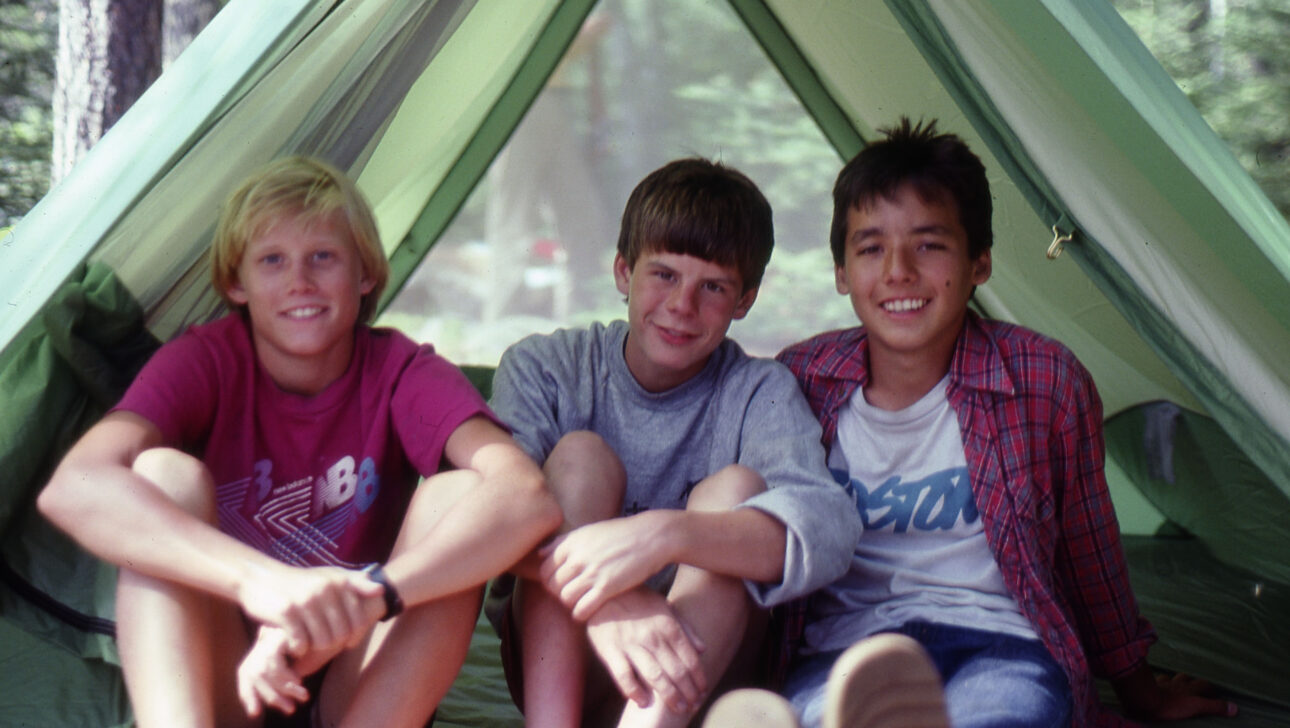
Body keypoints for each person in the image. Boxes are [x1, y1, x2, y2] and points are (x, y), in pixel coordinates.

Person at [37, 156, 562, 728]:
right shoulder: (204, 361)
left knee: (460, 493)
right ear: (235, 283)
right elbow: (73, 485)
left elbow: (525, 493)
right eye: (271, 260)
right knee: (163, 476)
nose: (299, 282)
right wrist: (264, 583)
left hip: (357, 682)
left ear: (364, 275)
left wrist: (370, 598)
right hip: (234, 679)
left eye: (323, 257)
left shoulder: (401, 370)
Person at [763, 118, 1239, 727]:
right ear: (840, 272)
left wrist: (1138, 688)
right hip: (845, 653)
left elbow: (1090, 552)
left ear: (979, 263)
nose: (899, 271)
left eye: (930, 244)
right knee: (818, 717)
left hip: (1000, 647)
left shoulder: (1044, 381)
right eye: (871, 248)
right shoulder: (800, 383)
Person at [484, 157, 862, 728]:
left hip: (700, 679)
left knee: (737, 489)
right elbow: (481, 519)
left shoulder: (760, 392)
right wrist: (615, 597)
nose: (682, 306)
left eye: (712, 287)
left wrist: (665, 535)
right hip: (570, 662)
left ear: (744, 302)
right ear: (622, 272)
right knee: (579, 459)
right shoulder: (547, 368)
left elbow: (827, 530)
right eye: (663, 275)